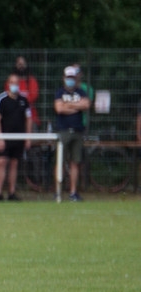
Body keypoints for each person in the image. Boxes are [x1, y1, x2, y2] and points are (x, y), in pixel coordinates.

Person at [0, 74, 32, 201]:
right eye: (12, 82)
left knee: (14, 163)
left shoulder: (24, 100)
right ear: (8, 84)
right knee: (2, 162)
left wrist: (28, 137)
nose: (14, 85)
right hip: (5, 138)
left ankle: (11, 193)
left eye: (16, 83)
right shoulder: (2, 99)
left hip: (18, 137)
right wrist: (0, 137)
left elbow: (29, 118)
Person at [54, 65, 90, 201]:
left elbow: (86, 105)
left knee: (75, 162)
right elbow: (59, 109)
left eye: (72, 77)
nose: (70, 80)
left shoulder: (81, 92)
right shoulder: (59, 92)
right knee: (60, 162)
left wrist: (68, 105)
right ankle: (57, 191)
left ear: (76, 78)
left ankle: (73, 192)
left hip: (77, 131)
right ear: (64, 78)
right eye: (68, 77)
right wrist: (76, 107)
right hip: (63, 130)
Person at [14, 56, 40, 128]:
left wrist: (18, 99)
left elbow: (33, 97)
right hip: (14, 118)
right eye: (19, 64)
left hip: (31, 117)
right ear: (15, 65)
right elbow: (9, 96)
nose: (21, 66)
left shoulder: (32, 80)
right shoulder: (11, 81)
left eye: (23, 64)